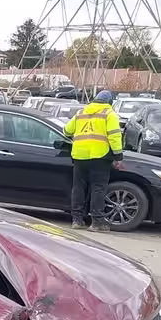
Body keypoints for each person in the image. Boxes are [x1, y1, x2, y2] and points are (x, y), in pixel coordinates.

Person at [64, 89, 122, 231]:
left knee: (78, 188)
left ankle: (77, 220)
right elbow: (114, 136)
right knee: (98, 188)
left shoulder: (81, 113)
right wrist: (118, 157)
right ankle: (97, 222)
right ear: (110, 102)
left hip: (79, 155)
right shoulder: (110, 114)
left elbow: (66, 131)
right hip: (99, 156)